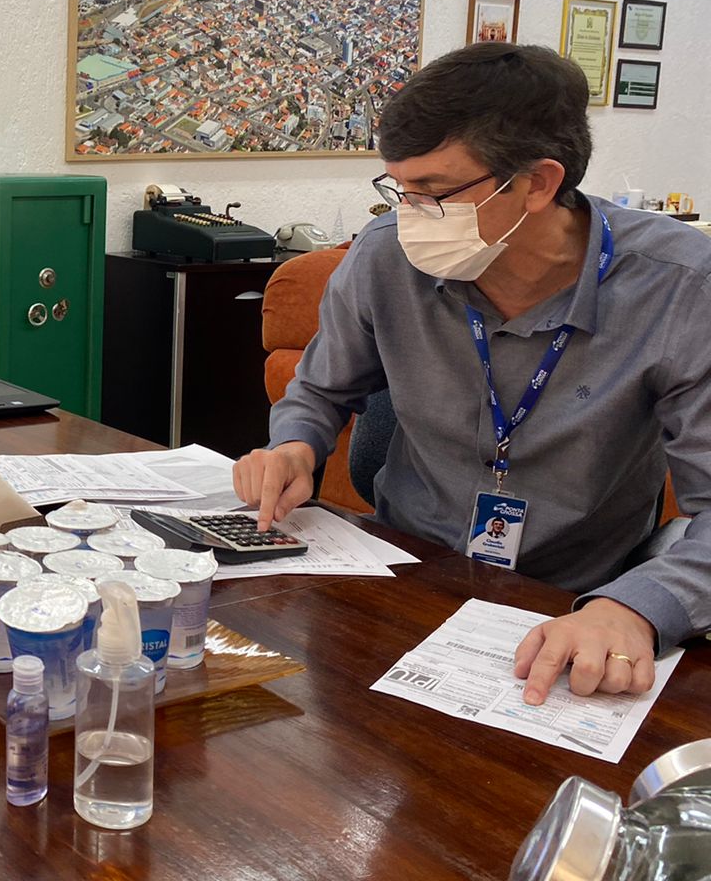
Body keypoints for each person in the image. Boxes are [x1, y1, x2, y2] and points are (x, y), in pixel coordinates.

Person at [233, 43, 711, 706]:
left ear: (538, 183)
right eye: (398, 189)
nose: (408, 217)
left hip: (571, 606)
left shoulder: (681, 289)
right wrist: (294, 445)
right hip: (406, 574)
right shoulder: (383, 261)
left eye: (433, 192)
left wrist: (635, 607)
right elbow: (318, 389)